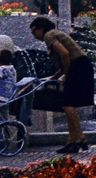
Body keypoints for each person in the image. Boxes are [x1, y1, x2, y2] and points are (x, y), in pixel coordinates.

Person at [30, 16, 92, 154]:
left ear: (40, 28)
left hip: (78, 67)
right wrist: (53, 77)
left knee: (68, 103)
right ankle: (72, 140)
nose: (34, 36)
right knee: (67, 103)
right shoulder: (54, 34)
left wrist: (67, 75)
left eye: (33, 32)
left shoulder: (49, 35)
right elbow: (64, 61)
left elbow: (65, 54)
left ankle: (80, 137)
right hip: (81, 65)